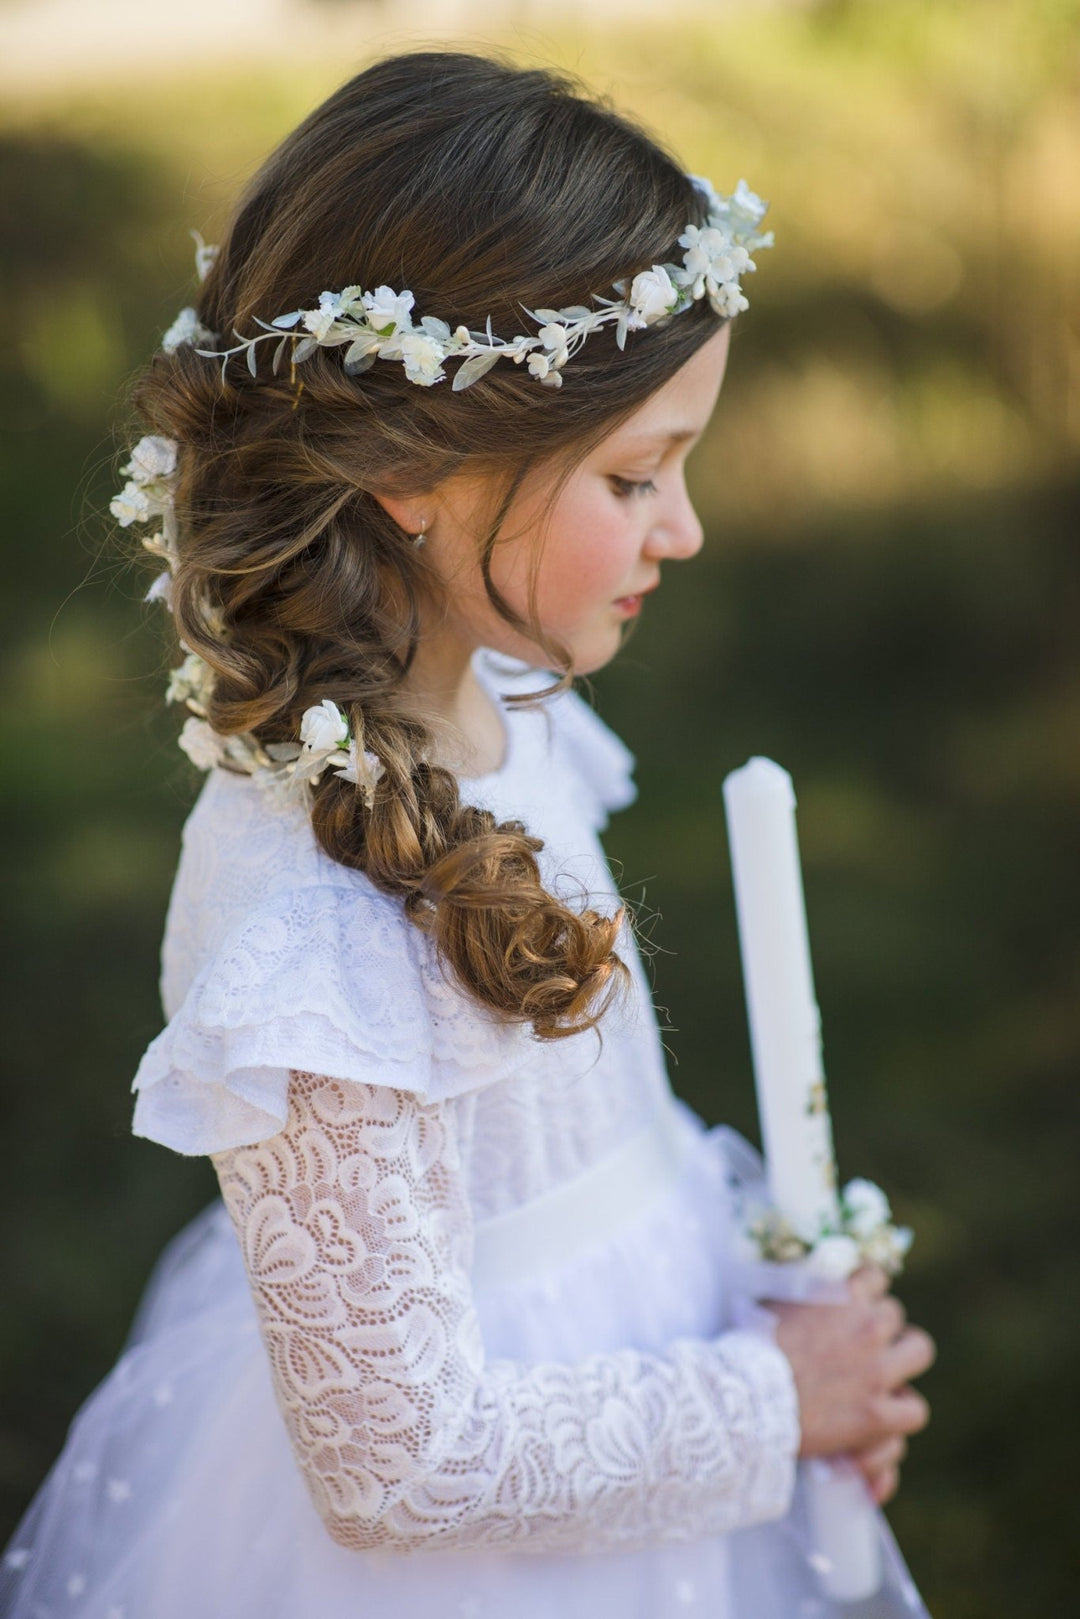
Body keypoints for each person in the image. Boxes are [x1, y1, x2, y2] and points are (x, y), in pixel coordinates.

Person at [0, 48, 936, 1619]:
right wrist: (772, 1404)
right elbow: (401, 1466)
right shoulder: (310, 931)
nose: (686, 528)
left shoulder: (506, 709)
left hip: (638, 1393)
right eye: (635, 475)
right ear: (407, 471)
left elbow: (590, 1140)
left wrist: (773, 1311)